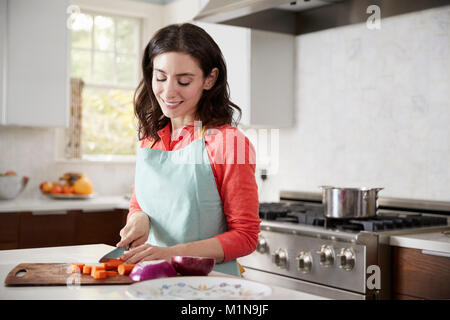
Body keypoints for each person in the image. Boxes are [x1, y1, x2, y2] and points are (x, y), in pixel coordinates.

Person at [116, 23, 260, 276]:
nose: (168, 91)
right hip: (152, 279)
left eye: (183, 81)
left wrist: (170, 253)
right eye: (160, 77)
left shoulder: (228, 142)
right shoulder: (150, 141)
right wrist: (139, 219)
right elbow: (140, 203)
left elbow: (245, 237)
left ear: (210, 79)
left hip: (210, 285)